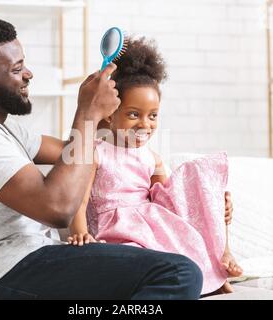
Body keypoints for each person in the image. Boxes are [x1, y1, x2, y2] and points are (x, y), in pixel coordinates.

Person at [0, 18, 204, 300]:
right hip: (7, 272)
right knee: (180, 273)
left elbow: (86, 152)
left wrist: (201, 197)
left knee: (177, 266)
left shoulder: (5, 129)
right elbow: (57, 208)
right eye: (17, 68)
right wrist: (87, 112)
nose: (29, 74)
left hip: (43, 260)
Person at [66, 37, 243, 295]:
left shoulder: (151, 157)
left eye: (153, 115)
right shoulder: (95, 151)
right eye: (133, 114)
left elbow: (170, 198)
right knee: (142, 259)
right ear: (110, 113)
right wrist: (81, 233)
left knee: (185, 233)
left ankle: (216, 273)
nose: (145, 124)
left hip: (151, 224)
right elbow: (78, 201)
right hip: (115, 229)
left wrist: (214, 202)